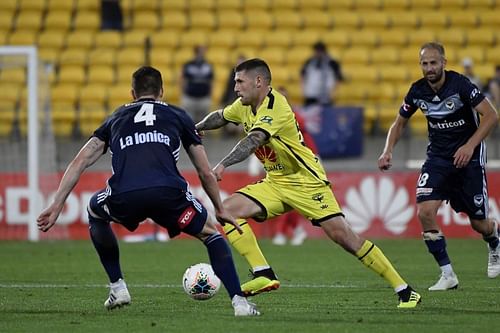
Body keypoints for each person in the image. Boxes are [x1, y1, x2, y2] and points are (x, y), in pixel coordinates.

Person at [196, 58, 421, 308]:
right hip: (276, 181)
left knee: (344, 237)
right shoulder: (244, 105)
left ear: (258, 81)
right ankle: (263, 273)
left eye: (240, 81)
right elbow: (221, 116)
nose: (235, 87)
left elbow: (254, 140)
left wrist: (223, 164)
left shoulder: (276, 106)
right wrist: (195, 127)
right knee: (227, 210)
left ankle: (405, 290)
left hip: (307, 182)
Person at [36, 66, 259, 316]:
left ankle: (118, 286)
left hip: (124, 195)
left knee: (95, 211)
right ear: (161, 92)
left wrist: (56, 204)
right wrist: (219, 209)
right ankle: (240, 303)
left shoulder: (115, 118)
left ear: (133, 93)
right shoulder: (178, 115)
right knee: (210, 233)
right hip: (168, 195)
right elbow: (204, 171)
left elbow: (80, 161)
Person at [378, 42, 500, 291]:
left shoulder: (461, 85)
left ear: (444, 62)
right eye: (424, 63)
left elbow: (491, 115)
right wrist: (387, 150)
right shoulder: (417, 91)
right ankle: (448, 274)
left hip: (470, 157)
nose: (429, 68)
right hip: (438, 159)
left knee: (479, 224)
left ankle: (494, 239)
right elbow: (399, 123)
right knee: (424, 212)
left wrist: (469, 146)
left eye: (434, 62)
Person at [300, 41, 343, 107]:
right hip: (311, 94)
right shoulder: (309, 62)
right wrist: (303, 90)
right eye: (316, 51)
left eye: (320, 51)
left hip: (327, 94)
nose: (318, 53)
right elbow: (303, 75)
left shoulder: (332, 63)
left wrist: (335, 91)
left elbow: (338, 77)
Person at [180, 45, 214, 124]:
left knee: (203, 123)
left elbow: (211, 80)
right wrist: (184, 93)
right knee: (189, 122)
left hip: (204, 97)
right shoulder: (188, 65)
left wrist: (209, 94)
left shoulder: (208, 65)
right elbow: (183, 79)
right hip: (190, 97)